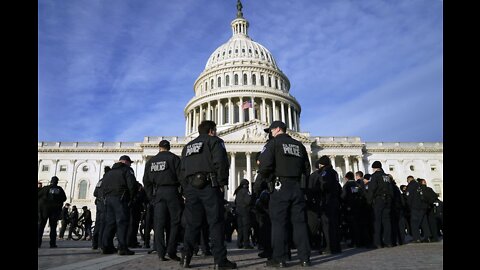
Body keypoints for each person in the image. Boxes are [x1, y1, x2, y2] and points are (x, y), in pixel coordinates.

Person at [179, 120, 236, 269]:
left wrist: (186, 189)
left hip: (191, 188)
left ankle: (186, 257)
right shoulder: (215, 141)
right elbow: (221, 163)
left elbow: (182, 171)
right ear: (211, 130)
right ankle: (220, 261)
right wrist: (222, 183)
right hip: (210, 186)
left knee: (192, 225)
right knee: (215, 223)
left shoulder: (187, 147)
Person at [258, 120, 311, 267]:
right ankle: (305, 258)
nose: (269, 133)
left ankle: (279, 259)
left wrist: (269, 180)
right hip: (297, 187)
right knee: (300, 223)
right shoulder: (299, 145)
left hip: (280, 187)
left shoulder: (272, 144)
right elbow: (307, 169)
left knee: (279, 224)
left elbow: (264, 166)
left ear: (276, 130)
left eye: (270, 130)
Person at [143, 139, 183, 261]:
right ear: (169, 147)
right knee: (175, 222)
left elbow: (146, 181)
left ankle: (160, 252)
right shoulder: (174, 159)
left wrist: (151, 197)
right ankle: (171, 250)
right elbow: (181, 178)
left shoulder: (151, 161)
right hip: (172, 192)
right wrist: (183, 194)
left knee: (159, 224)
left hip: (158, 193)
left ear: (159, 148)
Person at [101, 155, 138, 255]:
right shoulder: (127, 170)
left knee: (110, 223)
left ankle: (106, 246)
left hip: (108, 199)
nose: (130, 164)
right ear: (126, 162)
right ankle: (122, 247)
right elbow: (132, 185)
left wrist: (105, 198)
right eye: (130, 162)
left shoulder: (109, 173)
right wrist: (131, 198)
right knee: (122, 223)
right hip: (121, 199)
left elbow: (102, 187)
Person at [366, 161, 393, 248]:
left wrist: (369, 201)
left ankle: (378, 243)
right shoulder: (387, 177)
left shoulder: (374, 176)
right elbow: (391, 189)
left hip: (378, 200)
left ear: (374, 168)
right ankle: (388, 242)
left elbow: (372, 189)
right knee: (387, 221)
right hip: (388, 200)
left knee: (377, 221)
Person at [38, 176, 67, 248]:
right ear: (57, 182)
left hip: (44, 210)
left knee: (41, 226)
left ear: (51, 181)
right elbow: (64, 198)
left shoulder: (45, 188)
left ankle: (38, 243)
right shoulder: (59, 189)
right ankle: (52, 243)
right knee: (53, 227)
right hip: (54, 210)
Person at [92, 166, 110, 250]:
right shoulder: (109, 181)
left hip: (98, 203)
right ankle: (101, 243)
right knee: (104, 223)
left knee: (97, 223)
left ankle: (94, 243)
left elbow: (95, 193)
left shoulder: (100, 181)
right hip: (105, 203)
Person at [234, 179, 253, 249]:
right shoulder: (246, 191)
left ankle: (239, 243)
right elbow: (249, 201)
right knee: (246, 228)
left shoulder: (238, 191)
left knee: (240, 228)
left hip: (238, 210)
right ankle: (246, 243)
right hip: (245, 211)